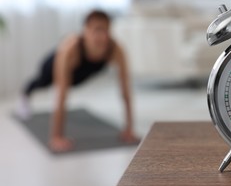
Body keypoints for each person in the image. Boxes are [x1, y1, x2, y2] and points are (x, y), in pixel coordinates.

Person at [16, 10, 139, 152]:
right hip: (52, 67)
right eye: (96, 30)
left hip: (79, 76)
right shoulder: (70, 49)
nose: (101, 36)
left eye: (105, 30)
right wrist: (56, 136)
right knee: (41, 83)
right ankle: (25, 94)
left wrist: (129, 129)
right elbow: (61, 94)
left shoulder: (116, 49)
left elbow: (125, 91)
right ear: (85, 31)